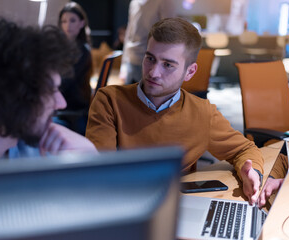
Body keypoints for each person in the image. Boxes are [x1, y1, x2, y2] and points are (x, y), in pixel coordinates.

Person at [86, 17, 264, 205]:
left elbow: (244, 149)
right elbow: (99, 172)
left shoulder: (202, 113)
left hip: (177, 210)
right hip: (122, 205)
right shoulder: (109, 100)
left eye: (168, 65)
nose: (153, 72)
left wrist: (251, 171)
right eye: (150, 59)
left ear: (190, 72)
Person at [0, 18, 96, 163]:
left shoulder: (28, 144)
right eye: (50, 90)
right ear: (9, 95)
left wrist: (88, 155)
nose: (61, 103)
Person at [120, 0, 178, 84]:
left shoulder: (165, 2)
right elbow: (129, 32)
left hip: (151, 60)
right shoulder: (135, 2)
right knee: (129, 95)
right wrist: (124, 65)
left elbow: (169, 33)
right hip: (132, 58)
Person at [57, 2, 93, 135]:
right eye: (64, 21)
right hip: (64, 103)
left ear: (82, 23)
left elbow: (65, 83)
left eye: (72, 21)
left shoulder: (82, 50)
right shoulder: (62, 48)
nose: (67, 25)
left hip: (72, 107)